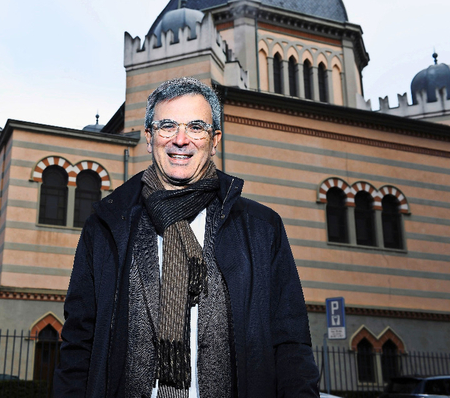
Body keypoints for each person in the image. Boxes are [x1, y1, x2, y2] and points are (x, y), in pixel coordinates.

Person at [54, 77, 320, 397]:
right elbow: (77, 345)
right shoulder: (106, 226)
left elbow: (291, 344)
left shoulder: (262, 228)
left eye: (196, 127)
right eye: (167, 126)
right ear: (150, 138)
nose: (181, 140)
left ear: (215, 139)